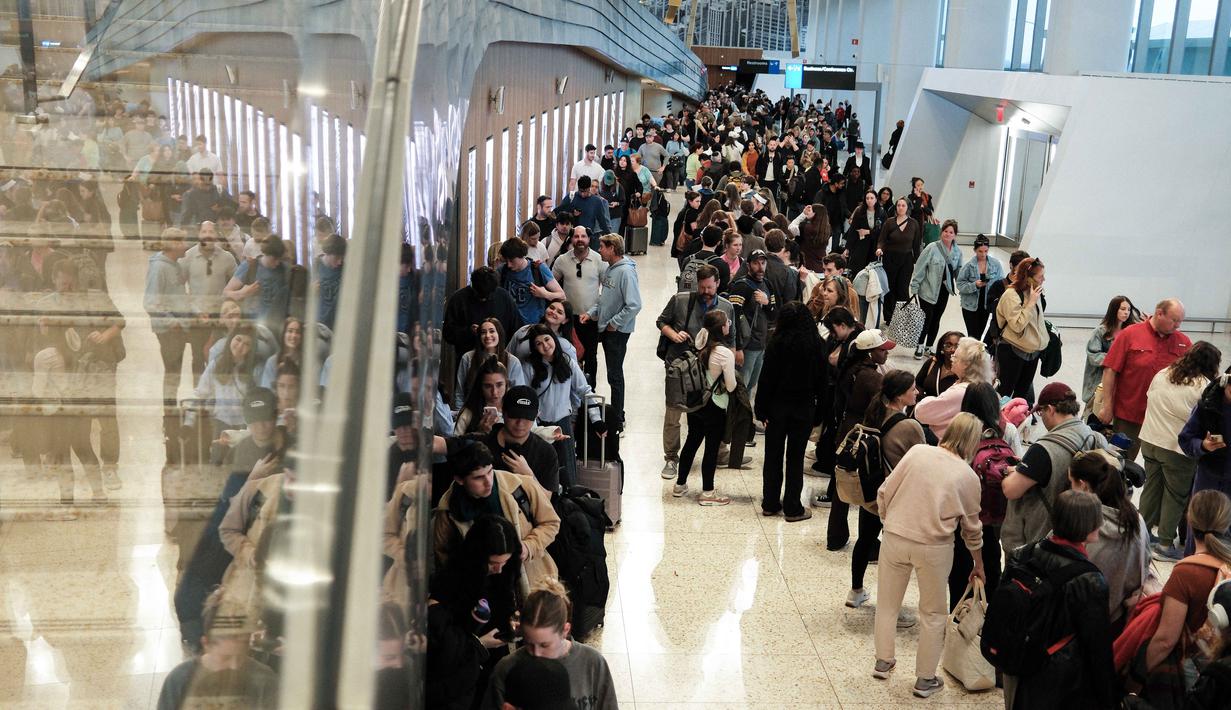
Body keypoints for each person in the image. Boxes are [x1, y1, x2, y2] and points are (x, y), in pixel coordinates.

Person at [872, 412, 985, 699]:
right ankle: (924, 680)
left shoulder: (918, 452)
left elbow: (884, 491)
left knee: (887, 603)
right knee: (933, 614)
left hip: (895, 536)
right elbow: (972, 529)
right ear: (973, 441)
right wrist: (979, 563)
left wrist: (890, 521)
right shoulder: (968, 476)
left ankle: (883, 662)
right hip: (935, 547)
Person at [1000, 490, 1119, 709]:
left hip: (1019, 663)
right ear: (1087, 525)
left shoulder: (1021, 555)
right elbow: (1098, 650)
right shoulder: (1090, 579)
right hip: (1062, 680)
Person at [1138, 491, 1231, 706]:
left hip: (1187, 673)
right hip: (1219, 671)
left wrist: (1136, 679)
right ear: (1226, 524)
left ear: (1189, 519)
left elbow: (1165, 641)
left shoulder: (1187, 572)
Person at [846, 370, 926, 611]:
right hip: (898, 497)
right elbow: (923, 459)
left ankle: (856, 591)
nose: (917, 392)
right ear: (901, 395)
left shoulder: (873, 415)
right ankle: (893, 607)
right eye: (912, 389)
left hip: (872, 490)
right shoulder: (910, 425)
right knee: (897, 554)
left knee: (864, 540)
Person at [426, 514, 523, 710]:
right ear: (477, 557)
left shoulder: (504, 573)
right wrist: (480, 644)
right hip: (459, 672)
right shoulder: (449, 581)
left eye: (504, 563)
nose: (499, 569)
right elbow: (443, 640)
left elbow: (506, 605)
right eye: (493, 563)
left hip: (492, 661)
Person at [431, 442, 560, 590]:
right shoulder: (448, 510)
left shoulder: (521, 486)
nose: (488, 482)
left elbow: (551, 522)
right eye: (478, 478)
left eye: (490, 472)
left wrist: (529, 546)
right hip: (482, 590)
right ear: (460, 480)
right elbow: (443, 557)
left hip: (533, 582)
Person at [1001, 382, 1110, 555]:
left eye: (1040, 411)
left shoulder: (1043, 449)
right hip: (1079, 537)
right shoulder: (1096, 438)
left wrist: (1011, 472)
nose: (1041, 417)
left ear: (1050, 409)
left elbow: (1011, 490)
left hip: (1039, 542)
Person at [1140, 342, 1223, 560]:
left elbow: (1149, 397)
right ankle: (1166, 545)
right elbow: (1203, 419)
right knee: (1175, 496)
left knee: (1151, 489)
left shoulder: (1164, 373)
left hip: (1149, 439)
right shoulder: (1203, 385)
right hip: (1175, 449)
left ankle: (1142, 534)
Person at [484, 579, 618, 710]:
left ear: (565, 630)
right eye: (529, 644)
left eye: (544, 645)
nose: (535, 654)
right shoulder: (505, 669)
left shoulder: (593, 663)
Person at [656, 266, 737, 481]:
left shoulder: (727, 307)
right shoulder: (681, 300)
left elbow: (731, 341)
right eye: (702, 287)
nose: (706, 291)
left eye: (710, 287)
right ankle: (671, 457)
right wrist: (673, 334)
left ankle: (720, 451)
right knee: (674, 412)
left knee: (711, 414)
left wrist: (730, 362)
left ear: (718, 284)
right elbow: (661, 321)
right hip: (679, 368)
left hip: (710, 373)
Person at [1066, 450, 1152, 630]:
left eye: (1071, 483)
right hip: (1121, 617)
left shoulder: (1083, 527)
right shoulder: (1136, 519)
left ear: (1083, 486)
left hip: (1082, 625)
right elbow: (1146, 561)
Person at [1098, 298, 1193, 461]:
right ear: (1159, 313)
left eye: (1180, 321)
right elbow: (1110, 370)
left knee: (1159, 465)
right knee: (1120, 461)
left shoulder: (1183, 343)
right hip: (1129, 414)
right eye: (1174, 320)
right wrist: (1107, 406)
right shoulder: (1130, 334)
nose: (1178, 325)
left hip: (1164, 418)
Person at [756, 302, 824, 521]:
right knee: (795, 458)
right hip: (804, 407)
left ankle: (770, 503)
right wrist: (820, 413)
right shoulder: (817, 345)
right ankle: (793, 507)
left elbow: (766, 379)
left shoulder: (776, 343)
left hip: (777, 407)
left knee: (773, 455)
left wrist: (761, 409)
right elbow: (823, 384)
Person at [157, 590, 277, 710]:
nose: (235, 666)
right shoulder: (179, 680)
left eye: (241, 657)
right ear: (206, 644)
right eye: (226, 658)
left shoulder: (265, 680)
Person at [521, 325, 604, 488]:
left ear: (554, 339)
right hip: (539, 427)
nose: (545, 345)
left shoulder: (568, 362)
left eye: (547, 339)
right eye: (538, 343)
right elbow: (525, 396)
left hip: (563, 424)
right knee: (541, 476)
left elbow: (585, 390)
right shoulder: (529, 367)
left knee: (567, 475)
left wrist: (596, 419)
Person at [671, 310, 737, 506]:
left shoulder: (698, 345)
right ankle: (708, 492)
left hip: (695, 402)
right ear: (721, 328)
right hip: (715, 405)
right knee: (711, 448)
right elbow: (731, 386)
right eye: (727, 323)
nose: (729, 325)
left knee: (692, 441)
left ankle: (680, 484)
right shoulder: (724, 353)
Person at [583, 233, 641, 432]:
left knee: (615, 375)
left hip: (616, 332)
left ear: (613, 248)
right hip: (605, 327)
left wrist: (614, 324)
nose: (599, 250)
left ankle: (618, 417)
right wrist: (591, 313)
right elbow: (604, 299)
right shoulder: (610, 269)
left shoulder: (625, 272)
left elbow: (634, 305)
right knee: (610, 373)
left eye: (602, 247)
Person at [144, 227, 191, 455]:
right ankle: (169, 415)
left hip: (178, 328)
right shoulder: (160, 268)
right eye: (182, 242)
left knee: (175, 372)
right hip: (169, 331)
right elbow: (150, 302)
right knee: (172, 372)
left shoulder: (175, 265)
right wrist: (170, 320)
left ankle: (171, 412)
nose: (185, 245)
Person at [1177, 369, 1231, 553]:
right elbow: (1185, 439)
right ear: (1225, 384)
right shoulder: (1207, 406)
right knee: (1199, 527)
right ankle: (1192, 567)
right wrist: (1203, 445)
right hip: (1208, 479)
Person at [480, 386, 561, 496]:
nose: (520, 423)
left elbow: (547, 500)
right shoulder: (482, 444)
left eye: (527, 417)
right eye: (515, 415)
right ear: (503, 412)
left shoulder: (546, 452)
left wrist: (528, 475)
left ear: (537, 415)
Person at [552, 226, 606, 387]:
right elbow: (551, 282)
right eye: (576, 236)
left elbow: (608, 290)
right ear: (571, 239)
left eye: (583, 236)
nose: (580, 239)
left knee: (590, 355)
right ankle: (570, 387)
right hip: (568, 319)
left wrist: (595, 311)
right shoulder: (562, 260)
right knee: (568, 353)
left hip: (590, 317)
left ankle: (590, 390)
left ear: (589, 239)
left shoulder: (599, 260)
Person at [914, 336, 996, 439]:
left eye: (956, 357)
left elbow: (921, 412)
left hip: (944, 442)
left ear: (966, 365)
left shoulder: (960, 391)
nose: (952, 359)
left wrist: (928, 399)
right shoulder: (982, 386)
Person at [994, 257, 1047, 404]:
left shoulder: (1033, 292)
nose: (1044, 279)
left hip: (1031, 351)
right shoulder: (1011, 295)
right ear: (1028, 278)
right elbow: (1017, 325)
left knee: (1022, 394)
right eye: (1040, 276)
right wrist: (1030, 303)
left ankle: (1018, 419)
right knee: (1005, 391)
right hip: (1013, 350)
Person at [908, 218, 962, 359]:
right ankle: (919, 346)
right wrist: (914, 287)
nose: (948, 234)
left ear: (955, 235)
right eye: (945, 231)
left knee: (936, 318)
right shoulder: (932, 247)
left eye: (951, 232)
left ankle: (929, 347)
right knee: (926, 319)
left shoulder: (957, 252)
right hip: (927, 289)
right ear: (941, 232)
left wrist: (964, 286)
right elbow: (920, 268)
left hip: (944, 291)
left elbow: (958, 271)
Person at [1083, 295, 1140, 416]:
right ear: (1114, 310)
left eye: (1128, 310)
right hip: (1100, 382)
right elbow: (1094, 356)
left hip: (1123, 382)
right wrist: (1116, 360)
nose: (1126, 313)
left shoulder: (1131, 332)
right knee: (1095, 414)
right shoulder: (1100, 332)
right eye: (1123, 309)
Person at [443, 266, 521, 354]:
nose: (483, 299)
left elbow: (516, 330)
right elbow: (448, 333)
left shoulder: (504, 297)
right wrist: (469, 332)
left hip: (500, 356)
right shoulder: (459, 299)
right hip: (469, 358)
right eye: (480, 296)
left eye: (487, 296)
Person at [454, 317, 524, 410]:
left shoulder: (512, 361)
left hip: (504, 414)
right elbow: (460, 392)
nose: (487, 335)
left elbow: (519, 393)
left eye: (492, 331)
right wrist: (461, 414)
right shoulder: (467, 358)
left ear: (499, 334)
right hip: (473, 413)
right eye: (483, 332)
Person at [498, 237, 565, 327]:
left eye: (512, 261)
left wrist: (545, 294)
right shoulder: (503, 271)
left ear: (522, 256)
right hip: (509, 326)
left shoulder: (538, 269)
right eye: (506, 261)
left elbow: (562, 295)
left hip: (533, 326)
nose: (509, 265)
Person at [875, 197, 921, 324]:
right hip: (890, 258)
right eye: (899, 205)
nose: (900, 207)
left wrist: (919, 263)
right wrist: (879, 249)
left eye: (903, 205)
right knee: (889, 288)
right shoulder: (889, 222)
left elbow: (916, 245)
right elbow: (882, 239)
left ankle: (902, 317)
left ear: (908, 208)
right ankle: (889, 317)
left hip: (906, 259)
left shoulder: (914, 224)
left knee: (903, 288)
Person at [956, 234, 1004, 342]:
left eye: (986, 251)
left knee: (982, 332)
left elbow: (1001, 282)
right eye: (980, 251)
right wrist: (974, 285)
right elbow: (959, 284)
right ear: (975, 250)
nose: (983, 254)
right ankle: (971, 356)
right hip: (970, 306)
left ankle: (977, 355)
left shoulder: (995, 264)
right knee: (972, 334)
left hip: (987, 305)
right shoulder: (968, 266)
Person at [914, 331, 962, 401]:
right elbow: (917, 384)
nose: (953, 350)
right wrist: (924, 400)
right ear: (941, 348)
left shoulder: (965, 372)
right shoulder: (932, 362)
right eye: (948, 346)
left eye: (957, 346)